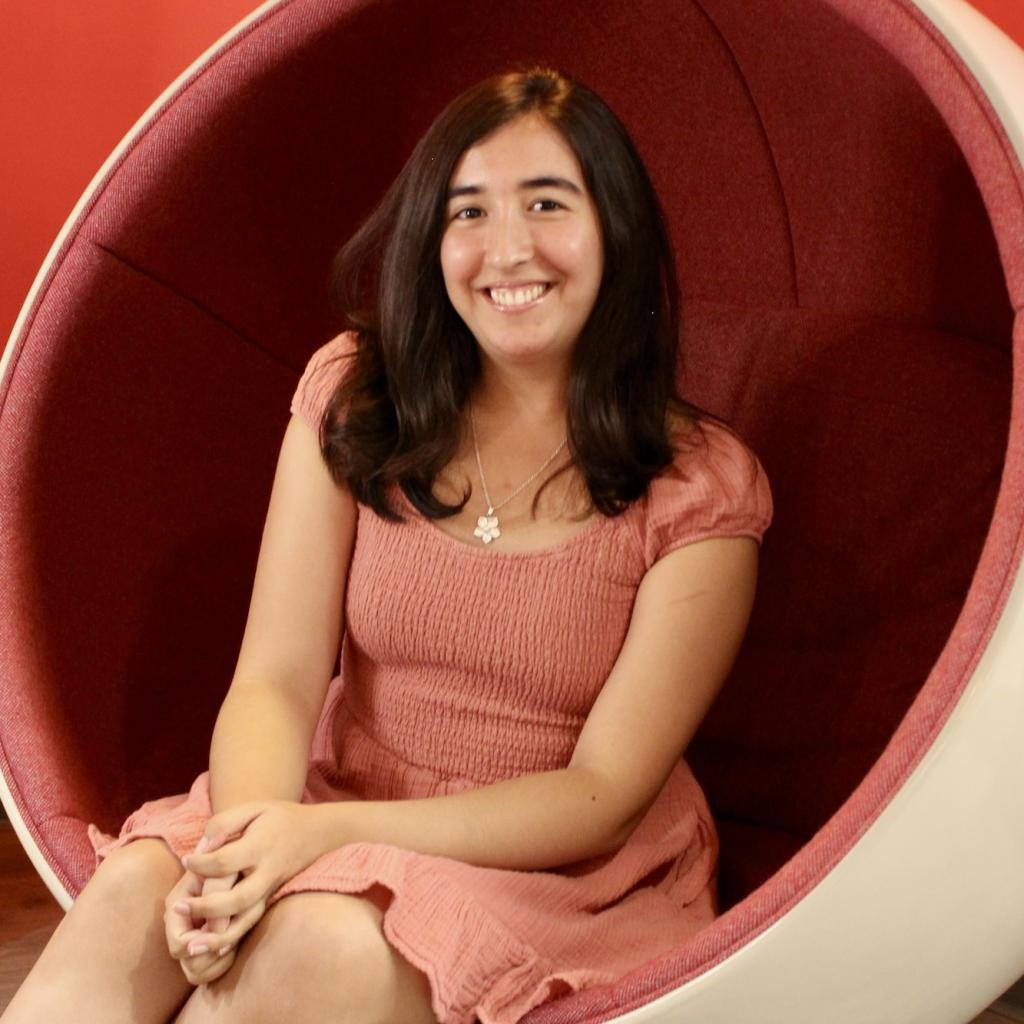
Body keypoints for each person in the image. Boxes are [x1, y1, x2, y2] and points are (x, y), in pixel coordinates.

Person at [2, 66, 772, 1024]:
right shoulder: (357, 395)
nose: (509, 248)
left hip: (551, 866)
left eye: (547, 203)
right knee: (127, 899)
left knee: (301, 955)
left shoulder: (699, 488)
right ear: (431, 241)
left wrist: (315, 841)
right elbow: (276, 678)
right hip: (323, 791)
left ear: (617, 229)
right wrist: (248, 842)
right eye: (469, 213)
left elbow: (601, 794)